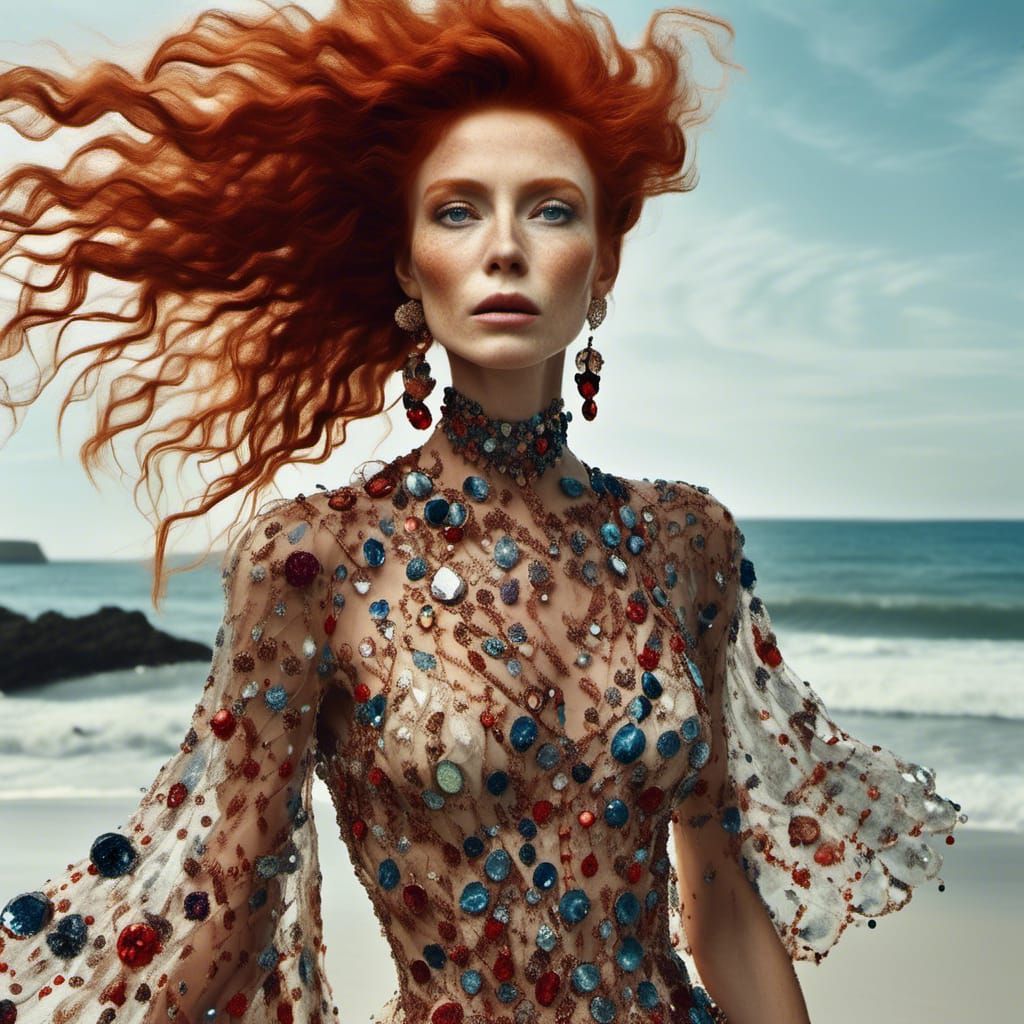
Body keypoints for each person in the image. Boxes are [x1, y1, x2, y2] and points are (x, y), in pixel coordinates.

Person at [0, 1, 965, 1022]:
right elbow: (224, 900)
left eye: (551, 209)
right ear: (410, 270)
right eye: (457, 211)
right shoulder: (311, 558)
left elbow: (719, 902)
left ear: (600, 270)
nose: (504, 247)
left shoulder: (690, 542)